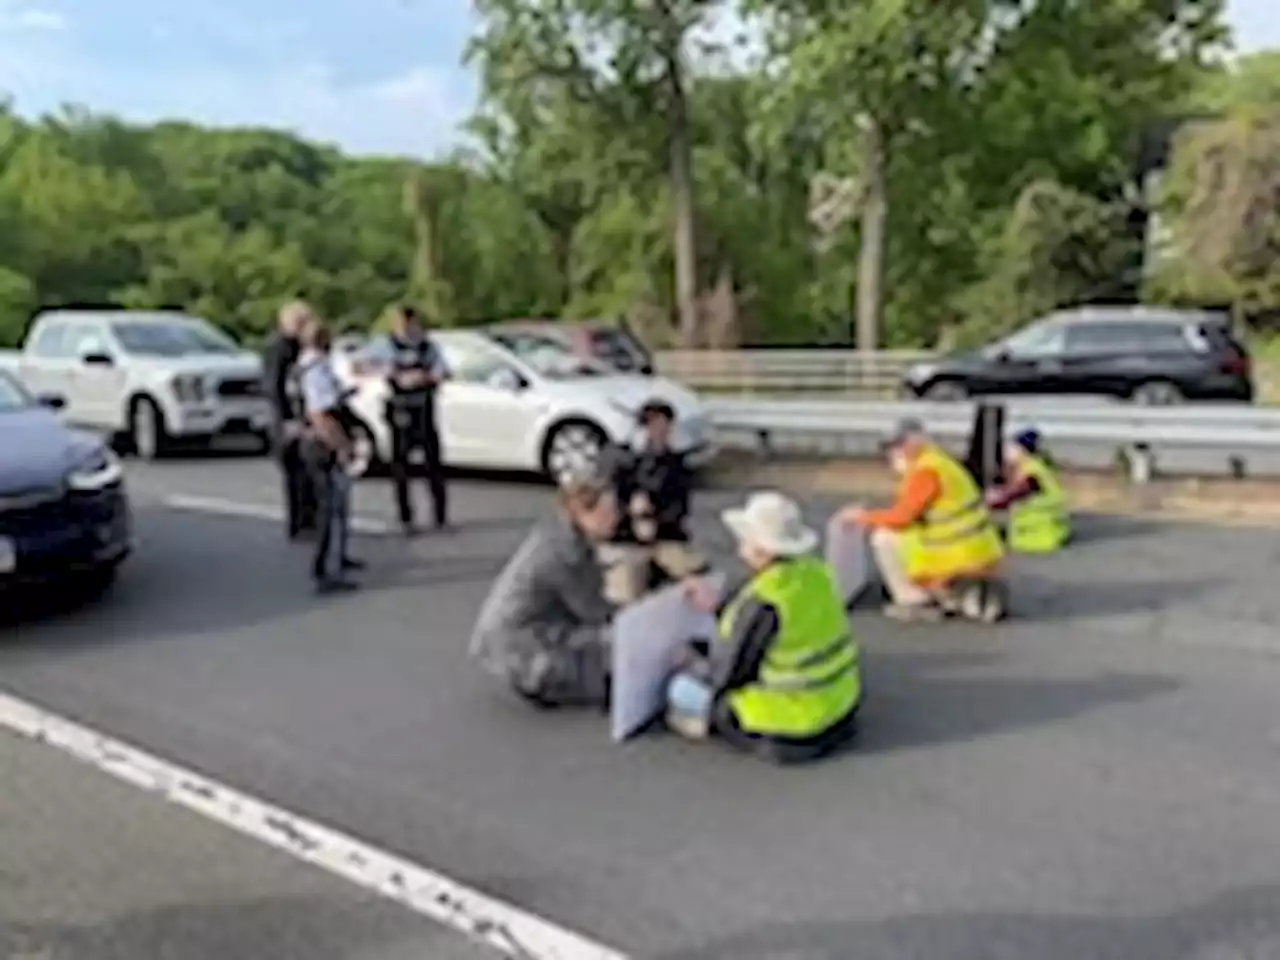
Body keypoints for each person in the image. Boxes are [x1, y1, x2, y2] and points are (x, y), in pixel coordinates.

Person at [667, 491, 861, 764]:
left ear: (762, 549)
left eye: (745, 539)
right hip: (839, 704)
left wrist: (693, 662)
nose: (740, 546)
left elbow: (731, 672)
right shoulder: (817, 573)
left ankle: (705, 724)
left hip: (792, 723)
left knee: (682, 689)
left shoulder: (764, 600)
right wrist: (717, 606)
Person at [468, 473, 619, 709]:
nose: (615, 517)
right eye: (608, 511)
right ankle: (547, 681)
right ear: (583, 513)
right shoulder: (562, 554)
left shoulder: (562, 535)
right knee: (613, 647)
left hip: (521, 635)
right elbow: (593, 611)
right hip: (523, 648)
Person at [840, 417, 1005, 622]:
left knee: (884, 538)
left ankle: (914, 600)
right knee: (900, 535)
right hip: (977, 546)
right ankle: (963, 594)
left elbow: (901, 518)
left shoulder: (925, 472)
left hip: (952, 549)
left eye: (895, 447)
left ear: (911, 444)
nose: (891, 454)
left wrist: (861, 518)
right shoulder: (938, 461)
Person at [600, 399, 708, 605]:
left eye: (664, 427)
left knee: (697, 579)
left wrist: (655, 521)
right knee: (625, 591)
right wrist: (632, 517)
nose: (659, 432)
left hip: (665, 538)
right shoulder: (617, 462)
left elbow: (680, 509)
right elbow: (606, 505)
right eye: (653, 426)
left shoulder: (676, 466)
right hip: (625, 541)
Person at [297, 318, 366, 595]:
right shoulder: (316, 370)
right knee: (331, 509)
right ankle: (326, 569)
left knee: (338, 506)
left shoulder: (305, 366)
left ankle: (338, 559)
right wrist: (341, 446)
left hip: (315, 441)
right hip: (322, 445)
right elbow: (320, 413)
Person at [377, 305, 449, 535]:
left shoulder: (428, 347)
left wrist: (425, 377)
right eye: (403, 325)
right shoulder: (385, 345)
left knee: (434, 465)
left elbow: (443, 371)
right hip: (400, 411)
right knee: (400, 467)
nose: (408, 329)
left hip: (424, 409)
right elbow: (361, 365)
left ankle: (440, 516)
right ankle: (405, 518)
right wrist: (391, 373)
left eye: (412, 324)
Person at [261, 299, 317, 539]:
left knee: (308, 472)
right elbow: (274, 385)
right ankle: (298, 522)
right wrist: (286, 419)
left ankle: (309, 518)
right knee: (295, 471)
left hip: (300, 415)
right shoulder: (280, 348)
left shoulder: (302, 347)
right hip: (286, 419)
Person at [985, 428, 1070, 553]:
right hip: (1050, 531)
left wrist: (991, 499)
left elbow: (1011, 496)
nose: (1007, 452)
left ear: (1022, 451)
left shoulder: (1032, 472)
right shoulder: (1035, 465)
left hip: (1036, 537)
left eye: (1011, 448)